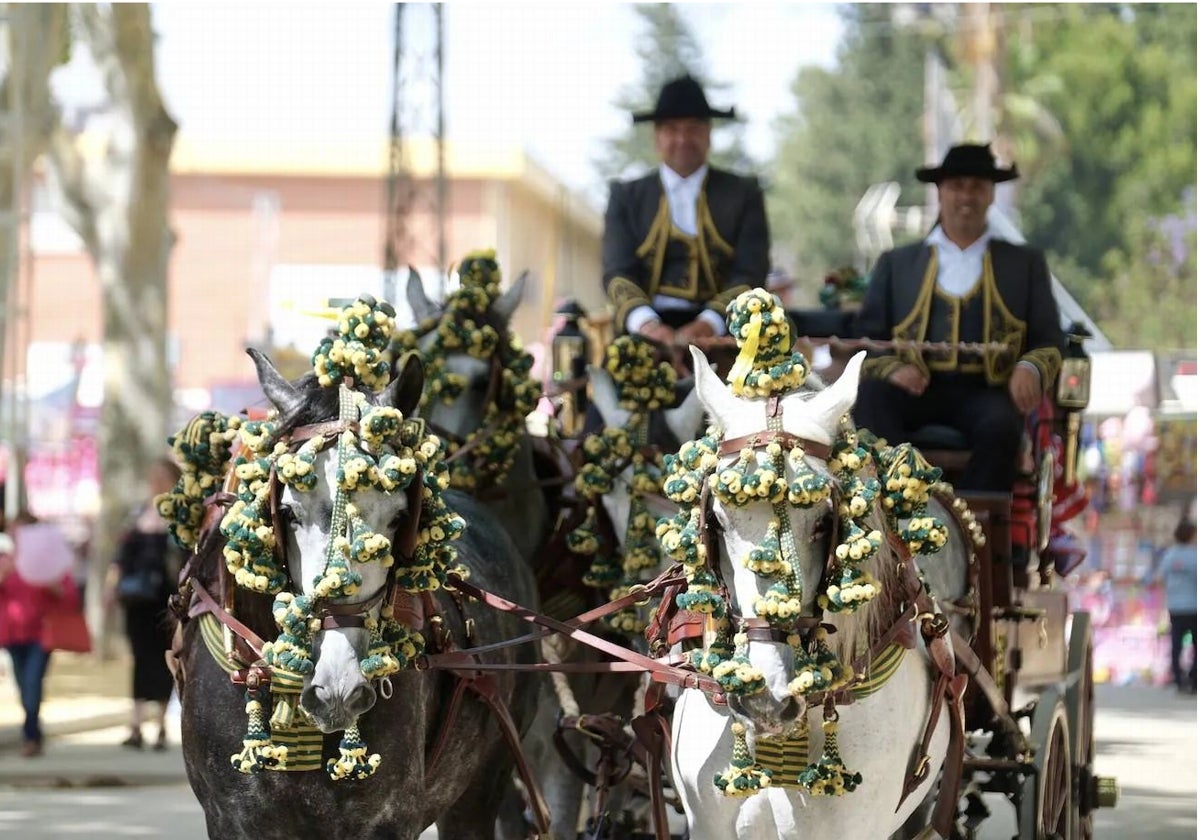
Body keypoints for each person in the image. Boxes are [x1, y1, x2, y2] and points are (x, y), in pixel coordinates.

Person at [853, 143, 1064, 492]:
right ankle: (888, 508)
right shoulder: (897, 263)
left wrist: (1030, 368)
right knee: (873, 400)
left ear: (991, 194)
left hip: (986, 393)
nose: (967, 196)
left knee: (1002, 427)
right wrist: (893, 369)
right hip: (913, 390)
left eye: (977, 186)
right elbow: (867, 338)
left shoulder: (1023, 264)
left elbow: (1049, 339)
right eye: (957, 186)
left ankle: (971, 527)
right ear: (940, 191)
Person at [602, 74, 770, 352]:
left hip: (724, 335)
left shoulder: (744, 194)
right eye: (671, 129)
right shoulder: (626, 197)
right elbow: (617, 271)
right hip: (642, 337)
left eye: (693, 128)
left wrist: (708, 324)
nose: (682, 138)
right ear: (656, 137)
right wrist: (650, 328)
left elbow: (751, 271)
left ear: (709, 134)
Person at [108, 458, 182, 750]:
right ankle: (136, 724)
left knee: (164, 658)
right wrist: (110, 588)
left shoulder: (180, 513)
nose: (155, 482)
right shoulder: (138, 512)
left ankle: (161, 724)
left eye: (161, 476)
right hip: (137, 600)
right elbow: (120, 555)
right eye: (153, 476)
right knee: (139, 659)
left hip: (166, 599)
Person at [0, 510, 82, 758]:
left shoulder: (48, 562)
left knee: (32, 683)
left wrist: (54, 586)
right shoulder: (7, 560)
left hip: (40, 634)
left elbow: (70, 598)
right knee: (23, 686)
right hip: (13, 634)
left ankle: (31, 736)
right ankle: (33, 728)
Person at [1149, 518, 1197, 694]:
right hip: (1194, 607)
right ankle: (1194, 680)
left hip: (1175, 607)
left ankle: (1178, 680)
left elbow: (1158, 579)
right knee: (1196, 646)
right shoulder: (1195, 555)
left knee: (1176, 645)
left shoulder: (1170, 555)